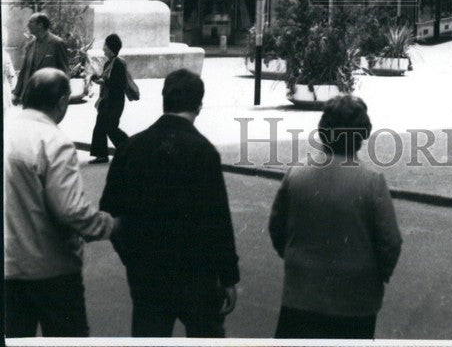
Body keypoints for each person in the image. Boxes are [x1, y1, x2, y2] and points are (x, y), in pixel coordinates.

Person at [99, 68, 240, 337]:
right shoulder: (203, 151)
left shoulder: (132, 148)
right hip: (197, 276)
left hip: (147, 273)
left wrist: (131, 256)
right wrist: (229, 276)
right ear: (199, 106)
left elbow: (109, 211)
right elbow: (218, 220)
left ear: (164, 100)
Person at [269, 95, 403, 339]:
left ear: (323, 132)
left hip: (301, 297)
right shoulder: (372, 181)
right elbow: (390, 242)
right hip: (354, 302)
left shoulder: (296, 174)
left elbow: (277, 228)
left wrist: (295, 257)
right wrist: (376, 276)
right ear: (362, 136)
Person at [4, 68, 116, 337]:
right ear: (62, 102)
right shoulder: (53, 141)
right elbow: (70, 210)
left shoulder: (7, 132)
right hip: (52, 271)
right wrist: (108, 225)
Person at [88, 33, 130, 164]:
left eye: (105, 45)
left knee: (109, 127)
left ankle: (128, 148)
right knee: (103, 126)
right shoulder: (108, 64)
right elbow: (104, 79)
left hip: (114, 101)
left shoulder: (118, 63)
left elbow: (117, 84)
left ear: (110, 48)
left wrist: (103, 82)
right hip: (107, 100)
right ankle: (105, 154)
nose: (103, 48)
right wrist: (94, 78)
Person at [12, 12, 70, 105]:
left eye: (31, 22)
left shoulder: (57, 43)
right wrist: (17, 93)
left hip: (49, 97)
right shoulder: (31, 44)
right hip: (29, 96)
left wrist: (63, 97)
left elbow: (64, 71)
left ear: (40, 25)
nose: (27, 25)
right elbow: (24, 71)